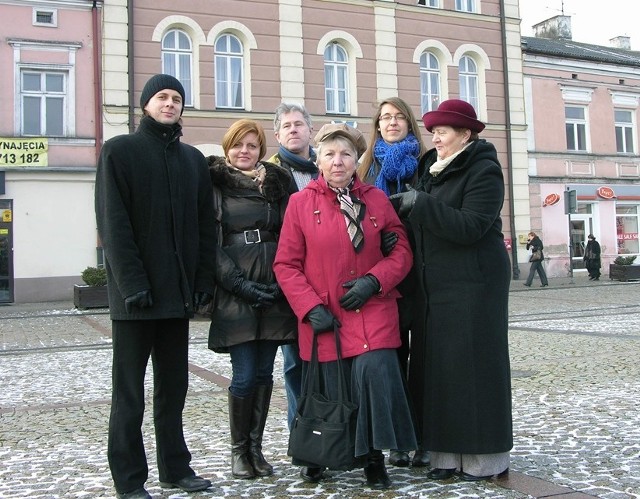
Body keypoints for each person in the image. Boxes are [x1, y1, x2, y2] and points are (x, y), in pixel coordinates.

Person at [274, 123, 417, 490]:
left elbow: (401, 251)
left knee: (373, 372)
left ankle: (373, 457)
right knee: (328, 388)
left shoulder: (377, 199)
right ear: (317, 160)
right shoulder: (300, 203)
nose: (338, 162)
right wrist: (307, 307)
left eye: (346, 154)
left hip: (372, 308)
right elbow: (285, 264)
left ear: (357, 160)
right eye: (330, 154)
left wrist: (375, 280)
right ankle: (318, 451)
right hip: (327, 314)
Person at [95, 74, 216, 499]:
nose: (170, 104)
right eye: (162, 97)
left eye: (176, 98)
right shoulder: (120, 151)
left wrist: (202, 283)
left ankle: (175, 469)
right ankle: (129, 480)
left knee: (173, 391)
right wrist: (131, 285)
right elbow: (114, 225)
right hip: (136, 300)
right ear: (146, 104)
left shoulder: (192, 160)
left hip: (177, 296)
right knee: (129, 395)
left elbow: (205, 227)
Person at [389, 99, 513, 481]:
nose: (436, 138)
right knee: (437, 369)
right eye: (434, 131)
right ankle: (444, 454)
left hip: (475, 284)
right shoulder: (431, 168)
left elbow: (471, 226)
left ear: (465, 134)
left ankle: (482, 457)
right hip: (433, 285)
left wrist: (420, 204)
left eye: (443, 131)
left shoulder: (484, 169)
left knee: (473, 369)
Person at [206, 119, 297, 480]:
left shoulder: (275, 184)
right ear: (227, 148)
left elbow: (289, 233)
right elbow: (209, 244)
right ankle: (238, 452)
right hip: (236, 293)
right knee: (244, 375)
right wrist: (239, 285)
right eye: (238, 145)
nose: (245, 151)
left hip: (274, 291)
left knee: (264, 373)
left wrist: (281, 281)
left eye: (253, 145)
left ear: (261, 150)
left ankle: (256, 450)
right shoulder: (215, 186)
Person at [357, 96, 429, 469]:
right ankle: (400, 438)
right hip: (387, 278)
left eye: (399, 117)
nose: (392, 122)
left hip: (424, 274)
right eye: (385, 117)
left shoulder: (424, 163)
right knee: (394, 360)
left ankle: (426, 436)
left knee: (427, 360)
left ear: (409, 123)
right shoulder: (367, 166)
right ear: (377, 125)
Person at [267, 102, 318, 432]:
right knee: (295, 364)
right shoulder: (269, 174)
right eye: (287, 125)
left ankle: (333, 434)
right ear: (277, 134)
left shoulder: (327, 166)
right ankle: (302, 439)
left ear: (310, 130)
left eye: (299, 124)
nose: (294, 129)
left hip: (330, 278)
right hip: (292, 282)